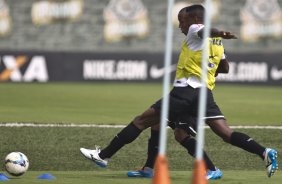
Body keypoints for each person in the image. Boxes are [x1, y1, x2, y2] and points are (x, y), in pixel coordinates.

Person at [80, 4, 278, 179]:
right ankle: (263, 152)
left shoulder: (197, 29)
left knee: (142, 120)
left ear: (194, 19)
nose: (180, 26)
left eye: (181, 20)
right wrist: (209, 64)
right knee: (220, 133)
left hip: (186, 92)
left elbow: (205, 31)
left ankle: (103, 156)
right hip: (204, 94)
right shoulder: (217, 44)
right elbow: (225, 68)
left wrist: (221, 33)